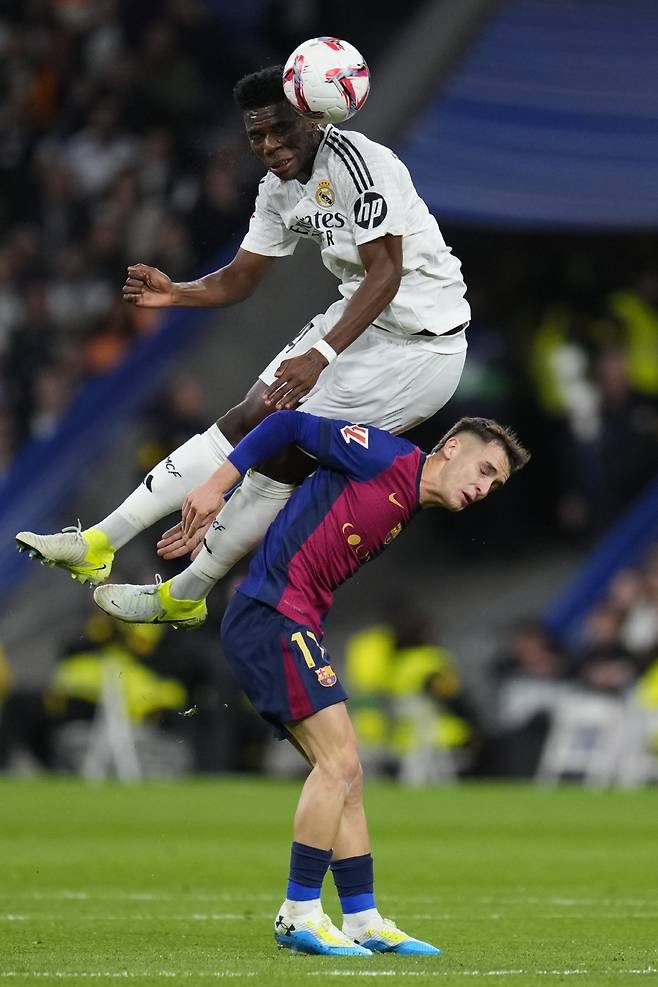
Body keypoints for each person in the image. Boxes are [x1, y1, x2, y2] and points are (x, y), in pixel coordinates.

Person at [16, 64, 470, 623]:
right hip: (361, 322)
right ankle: (98, 544)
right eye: (257, 135)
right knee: (247, 417)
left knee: (282, 451)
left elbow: (386, 275)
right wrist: (177, 293)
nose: (270, 145)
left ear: (310, 117)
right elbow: (239, 279)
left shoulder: (361, 164)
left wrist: (321, 355)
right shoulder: (277, 192)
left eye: (281, 129)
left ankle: (185, 593)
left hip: (422, 350)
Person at [94, 410, 529, 955]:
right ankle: (298, 912)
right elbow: (288, 426)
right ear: (451, 448)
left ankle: (363, 918)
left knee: (348, 773)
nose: (484, 488)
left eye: (495, 483)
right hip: (271, 615)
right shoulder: (384, 455)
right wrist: (214, 486)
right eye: (484, 469)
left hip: (289, 620)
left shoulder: (408, 498)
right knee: (339, 764)